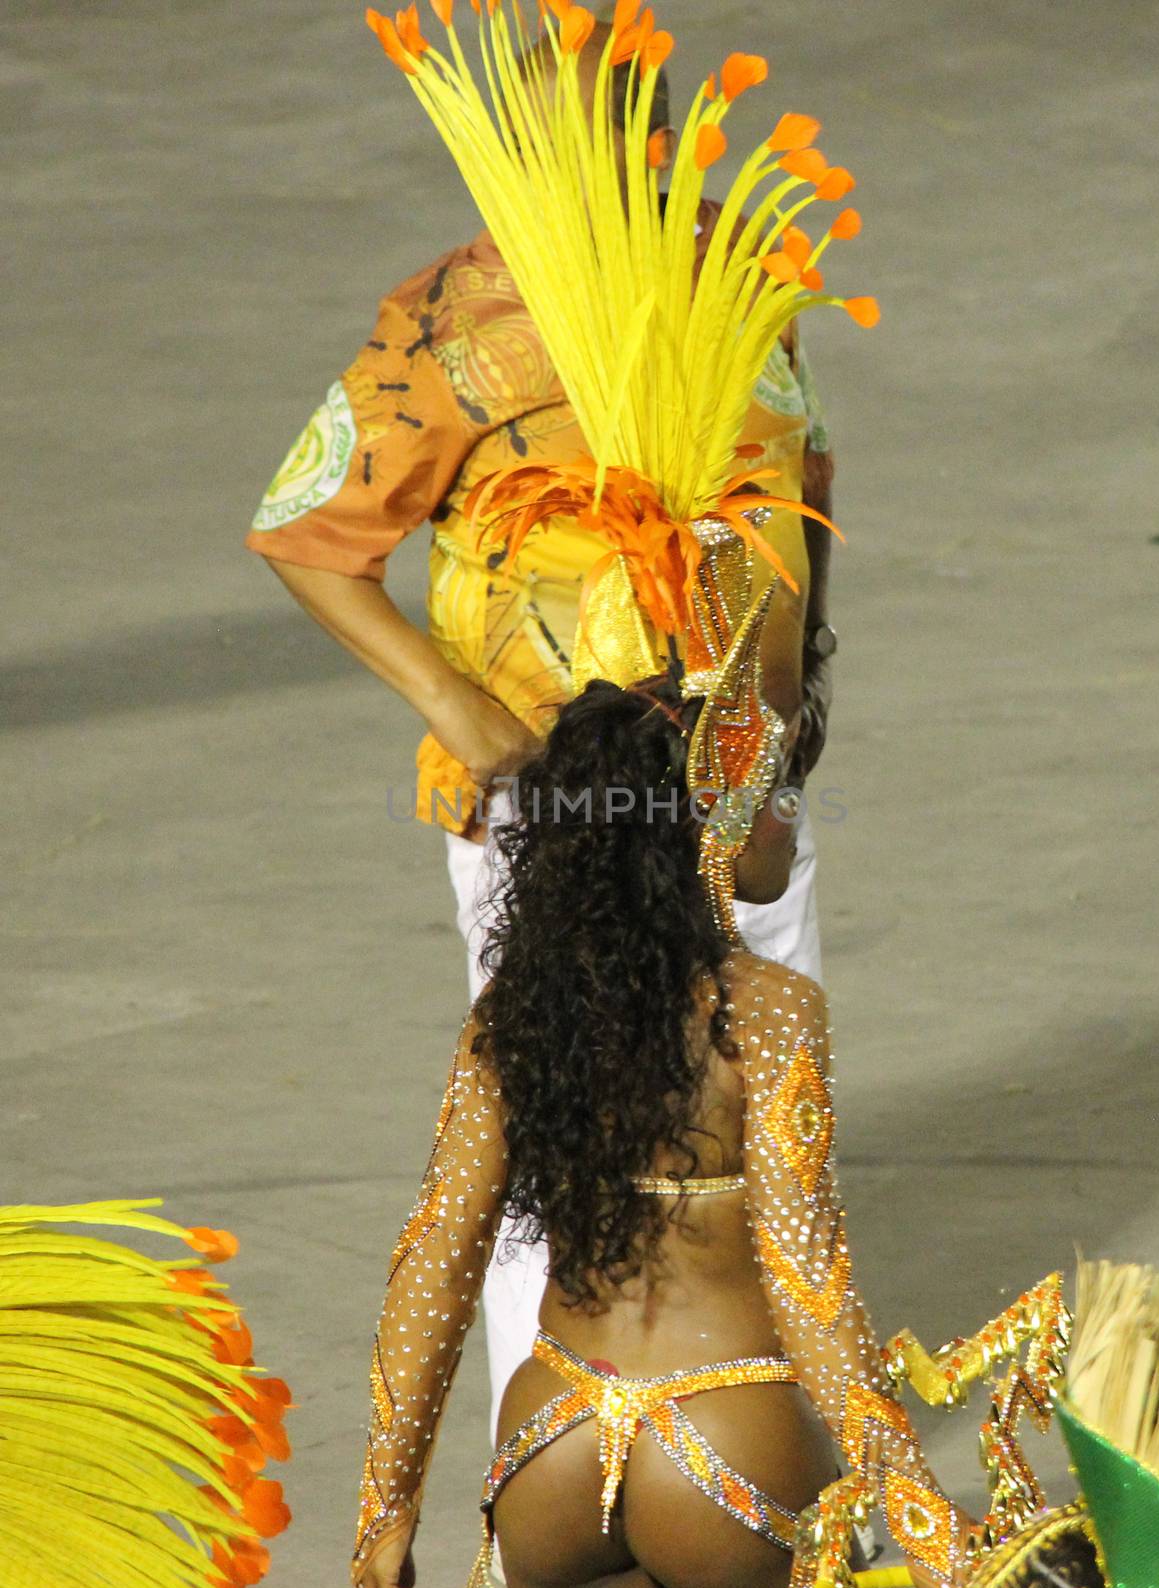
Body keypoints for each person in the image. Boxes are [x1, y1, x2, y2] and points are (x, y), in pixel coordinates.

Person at [246, 10, 839, 1442]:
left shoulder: (735, 268)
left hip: (735, 788)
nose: (626, 162)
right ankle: (553, 1491)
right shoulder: (446, 321)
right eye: (587, 139)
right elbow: (303, 534)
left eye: (640, 128)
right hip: (555, 805)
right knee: (547, 1145)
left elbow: (801, 482)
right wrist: (470, 716)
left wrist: (799, 683)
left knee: (773, 1120)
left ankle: (755, 1476)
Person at [350, 662, 978, 1588]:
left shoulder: (514, 1019)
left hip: (549, 1445)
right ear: (705, 825)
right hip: (725, 1448)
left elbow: (436, 1256)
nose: (788, 815)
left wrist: (386, 1506)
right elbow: (808, 1284)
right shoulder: (769, 1016)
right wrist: (919, 1507)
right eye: (772, 791)